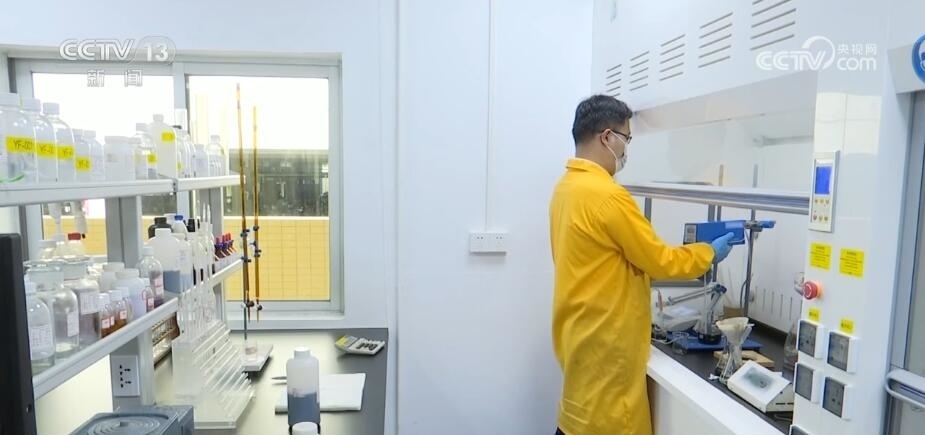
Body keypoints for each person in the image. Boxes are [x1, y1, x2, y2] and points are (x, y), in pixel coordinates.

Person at [548, 95, 736, 435]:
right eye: (626, 138)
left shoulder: (566, 188)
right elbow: (660, 261)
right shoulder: (608, 196)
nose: (626, 149)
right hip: (606, 343)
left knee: (579, 418)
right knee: (608, 422)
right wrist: (709, 252)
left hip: (578, 334)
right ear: (607, 137)